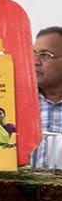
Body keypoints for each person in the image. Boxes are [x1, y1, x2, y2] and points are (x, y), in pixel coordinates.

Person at [30, 27, 62, 167]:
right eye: (33, 53)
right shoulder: (15, 101)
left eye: (45, 55)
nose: (35, 61)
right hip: (22, 187)